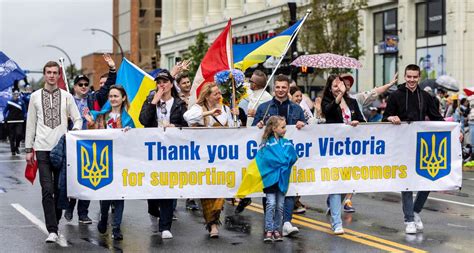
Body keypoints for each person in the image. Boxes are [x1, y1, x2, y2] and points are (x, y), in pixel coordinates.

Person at [383, 64, 444, 234]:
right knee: (407, 183)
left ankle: (415, 211)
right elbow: (384, 117)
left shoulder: (425, 96)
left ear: (419, 77)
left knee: (428, 180)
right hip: (402, 144)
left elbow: (437, 118)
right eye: (408, 77)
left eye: (414, 77)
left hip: (421, 145)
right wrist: (390, 117)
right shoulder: (395, 96)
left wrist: (454, 132)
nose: (411, 80)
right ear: (405, 77)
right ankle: (408, 219)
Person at [25, 61, 82, 243]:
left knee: (59, 190)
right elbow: (31, 124)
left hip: (61, 149)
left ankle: (55, 221)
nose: (51, 75)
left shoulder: (67, 97)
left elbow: (78, 118)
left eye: (54, 72)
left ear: (59, 75)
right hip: (41, 148)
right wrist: (28, 149)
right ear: (44, 74)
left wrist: (74, 134)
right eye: (48, 72)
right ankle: (52, 229)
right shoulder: (34, 97)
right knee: (47, 190)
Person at [64, 54, 117, 224]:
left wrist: (112, 69)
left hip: (90, 141)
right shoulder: (68, 100)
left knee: (87, 177)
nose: (84, 87)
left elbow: (108, 87)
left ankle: (83, 213)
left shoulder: (94, 98)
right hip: (72, 142)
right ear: (75, 86)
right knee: (74, 177)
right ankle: (70, 206)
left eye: (86, 84)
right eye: (81, 85)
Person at [183, 82, 239, 238]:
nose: (219, 96)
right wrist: (209, 114)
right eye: (216, 94)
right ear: (207, 96)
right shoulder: (198, 109)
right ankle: (212, 224)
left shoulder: (226, 109)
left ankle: (215, 217)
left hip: (222, 157)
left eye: (219, 93)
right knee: (207, 191)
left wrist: (237, 116)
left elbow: (234, 130)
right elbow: (187, 117)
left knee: (221, 187)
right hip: (203, 157)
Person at [252, 74, 306, 237]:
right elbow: (254, 128)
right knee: (270, 197)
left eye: (284, 87)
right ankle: (270, 225)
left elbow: (307, 128)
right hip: (270, 160)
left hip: (287, 158)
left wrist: (302, 124)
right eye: (278, 87)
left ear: (288, 88)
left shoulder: (297, 109)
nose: (281, 90)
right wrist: (258, 124)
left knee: (287, 190)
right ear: (273, 88)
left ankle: (285, 223)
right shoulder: (264, 108)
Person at [139, 69, 188, 239]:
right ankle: (153, 209)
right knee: (153, 191)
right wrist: (153, 101)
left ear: (171, 84)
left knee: (167, 188)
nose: (162, 85)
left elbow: (186, 125)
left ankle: (165, 226)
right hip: (153, 151)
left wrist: (176, 127)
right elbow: (143, 120)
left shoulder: (179, 104)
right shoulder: (151, 100)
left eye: (165, 82)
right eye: (159, 82)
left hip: (171, 152)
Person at [84, 85, 134, 240]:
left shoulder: (128, 119)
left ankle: (117, 227)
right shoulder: (101, 116)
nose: (113, 99)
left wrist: (129, 133)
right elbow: (91, 135)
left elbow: (135, 140)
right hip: (103, 160)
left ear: (123, 98)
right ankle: (104, 216)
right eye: (111, 96)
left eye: (116, 96)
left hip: (121, 161)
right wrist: (90, 124)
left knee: (119, 195)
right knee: (105, 192)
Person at [321, 74, 366, 234]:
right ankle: (336, 223)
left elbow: (362, 121)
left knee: (344, 185)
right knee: (335, 185)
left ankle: (331, 203)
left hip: (351, 149)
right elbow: (328, 112)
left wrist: (356, 124)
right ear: (330, 88)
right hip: (334, 149)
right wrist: (339, 95)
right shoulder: (327, 101)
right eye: (335, 86)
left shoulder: (352, 102)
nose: (338, 88)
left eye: (340, 85)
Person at [258, 116, 298, 242]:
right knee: (271, 203)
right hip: (270, 178)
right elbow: (264, 159)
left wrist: (282, 162)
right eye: (283, 127)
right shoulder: (266, 143)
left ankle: (277, 229)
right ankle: (268, 229)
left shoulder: (286, 142)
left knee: (280, 205)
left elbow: (293, 157)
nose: (285, 129)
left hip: (282, 178)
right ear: (274, 128)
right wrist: (281, 161)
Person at [3, 89, 26, 155]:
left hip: (19, 121)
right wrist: (5, 117)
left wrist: (24, 117)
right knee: (12, 136)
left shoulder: (22, 102)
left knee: (19, 134)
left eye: (17, 94)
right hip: (10, 121)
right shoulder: (9, 102)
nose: (16, 95)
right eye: (14, 94)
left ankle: (16, 147)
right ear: (12, 94)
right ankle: (13, 150)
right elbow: (5, 111)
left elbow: (24, 112)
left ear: (18, 95)